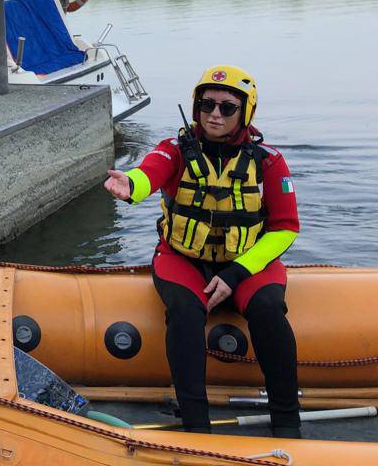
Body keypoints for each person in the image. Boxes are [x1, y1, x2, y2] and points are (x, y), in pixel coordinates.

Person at [103, 65, 301, 437]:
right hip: (183, 260)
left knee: (269, 309)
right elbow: (150, 172)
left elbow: (286, 226)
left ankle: (288, 422)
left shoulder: (269, 162)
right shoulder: (174, 151)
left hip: (247, 264)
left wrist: (235, 274)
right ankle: (197, 427)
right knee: (184, 311)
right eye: (207, 104)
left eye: (228, 107)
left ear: (245, 112)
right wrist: (131, 184)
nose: (215, 114)